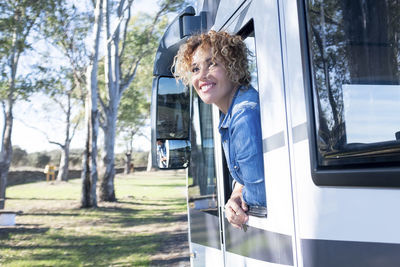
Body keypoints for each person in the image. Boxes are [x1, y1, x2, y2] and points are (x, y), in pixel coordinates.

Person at [173, 30, 266, 229]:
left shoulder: (243, 115)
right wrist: (237, 193)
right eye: (195, 69)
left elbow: (259, 194)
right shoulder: (229, 114)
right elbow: (246, 178)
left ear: (234, 67)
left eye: (212, 63)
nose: (202, 76)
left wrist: (233, 205)